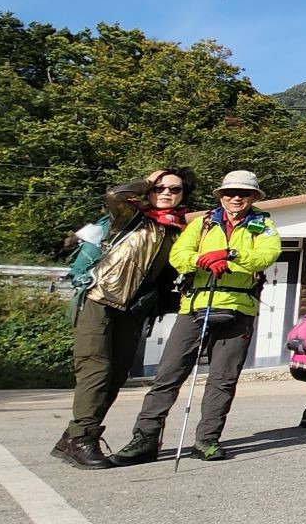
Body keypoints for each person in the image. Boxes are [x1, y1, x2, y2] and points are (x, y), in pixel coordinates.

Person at [110, 171, 283, 464]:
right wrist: (201, 261)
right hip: (194, 307)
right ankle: (145, 439)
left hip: (239, 308)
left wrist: (229, 255)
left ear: (254, 196)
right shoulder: (201, 223)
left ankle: (207, 439)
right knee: (168, 375)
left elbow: (267, 255)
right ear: (221, 196)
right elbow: (178, 256)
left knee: (223, 380)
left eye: (244, 193)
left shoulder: (263, 225)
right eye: (230, 192)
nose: (236, 198)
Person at [52, 169, 191, 468]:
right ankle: (82, 438)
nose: (166, 193)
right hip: (99, 299)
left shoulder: (176, 228)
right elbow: (115, 195)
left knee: (115, 375)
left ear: (183, 195)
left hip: (133, 309)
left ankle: (73, 436)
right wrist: (147, 181)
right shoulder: (130, 216)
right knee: (96, 370)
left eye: (174, 189)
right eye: (159, 188)